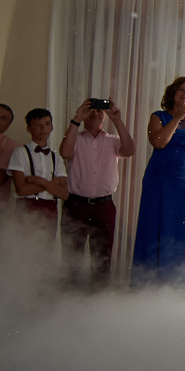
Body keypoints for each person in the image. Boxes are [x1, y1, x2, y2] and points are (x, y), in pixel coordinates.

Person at [132, 77, 185, 289]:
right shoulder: (158, 116)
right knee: (156, 225)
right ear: (173, 92)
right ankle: (150, 285)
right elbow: (158, 142)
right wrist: (177, 117)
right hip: (160, 179)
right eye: (182, 90)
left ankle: (184, 285)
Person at [58, 97, 136, 283]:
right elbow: (65, 152)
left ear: (104, 116)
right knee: (71, 258)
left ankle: (98, 296)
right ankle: (69, 296)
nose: (94, 113)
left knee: (102, 259)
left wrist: (117, 120)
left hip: (104, 206)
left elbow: (129, 151)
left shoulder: (112, 141)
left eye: (99, 110)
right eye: (90, 110)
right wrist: (77, 118)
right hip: (76, 205)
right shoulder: (75, 138)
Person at [4, 107, 67, 227]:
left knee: (47, 239)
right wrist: (51, 184)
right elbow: (22, 190)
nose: (43, 129)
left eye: (47, 124)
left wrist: (41, 182)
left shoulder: (56, 157)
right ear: (29, 128)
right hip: (27, 207)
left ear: (51, 127)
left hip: (50, 208)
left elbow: (64, 194)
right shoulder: (20, 152)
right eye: (37, 125)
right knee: (23, 239)